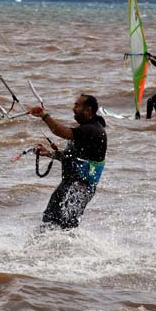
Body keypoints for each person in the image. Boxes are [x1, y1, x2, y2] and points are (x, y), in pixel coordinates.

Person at [28, 94, 107, 230]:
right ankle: (45, 251)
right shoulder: (87, 129)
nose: (73, 108)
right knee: (49, 221)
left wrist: (44, 116)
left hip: (80, 188)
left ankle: (70, 250)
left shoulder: (92, 130)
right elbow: (73, 158)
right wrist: (50, 154)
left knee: (66, 226)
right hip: (69, 184)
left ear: (88, 110)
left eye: (77, 105)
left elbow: (62, 132)